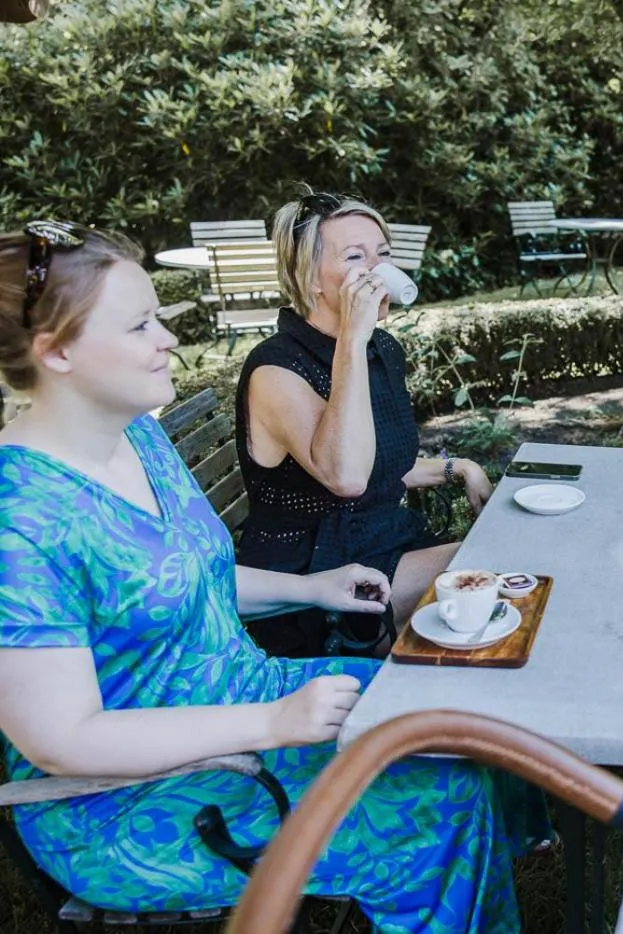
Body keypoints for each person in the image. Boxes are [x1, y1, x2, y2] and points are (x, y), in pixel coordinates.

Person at [0, 222, 537, 931]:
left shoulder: (136, 435)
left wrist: (311, 587)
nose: (168, 339)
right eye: (139, 326)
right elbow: (60, 739)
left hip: (241, 700)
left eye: (158, 318)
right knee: (436, 800)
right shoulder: (21, 517)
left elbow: (187, 579)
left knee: (449, 710)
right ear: (56, 351)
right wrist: (272, 721)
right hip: (138, 800)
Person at [235, 190, 492, 657]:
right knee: (494, 568)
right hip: (311, 572)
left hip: (378, 540)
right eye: (355, 257)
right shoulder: (276, 370)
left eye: (384, 255)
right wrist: (352, 338)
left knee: (505, 565)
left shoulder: (381, 349)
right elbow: (349, 477)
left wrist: (461, 467)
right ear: (311, 279)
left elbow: (381, 461)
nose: (377, 271)